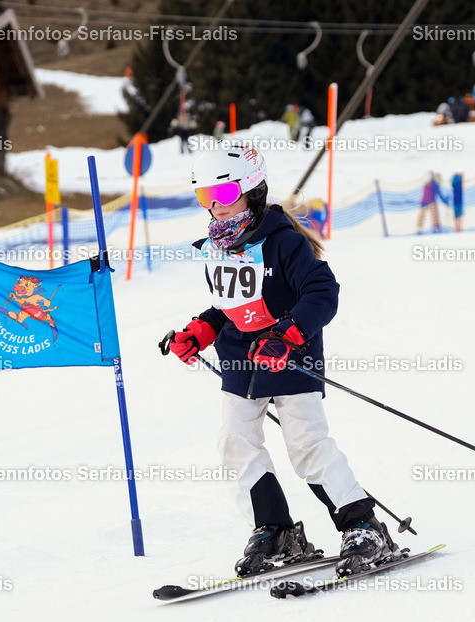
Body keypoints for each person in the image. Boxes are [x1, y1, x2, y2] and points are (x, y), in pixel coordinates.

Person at [164, 143, 397, 579]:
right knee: (235, 443)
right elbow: (229, 306)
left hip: (289, 359)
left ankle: (363, 527)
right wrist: (201, 330)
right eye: (204, 198)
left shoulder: (284, 242)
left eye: (225, 195)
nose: (215, 207)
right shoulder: (216, 250)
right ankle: (275, 530)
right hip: (240, 364)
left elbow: (322, 292)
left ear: (251, 190)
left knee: (307, 446)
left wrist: (288, 335)